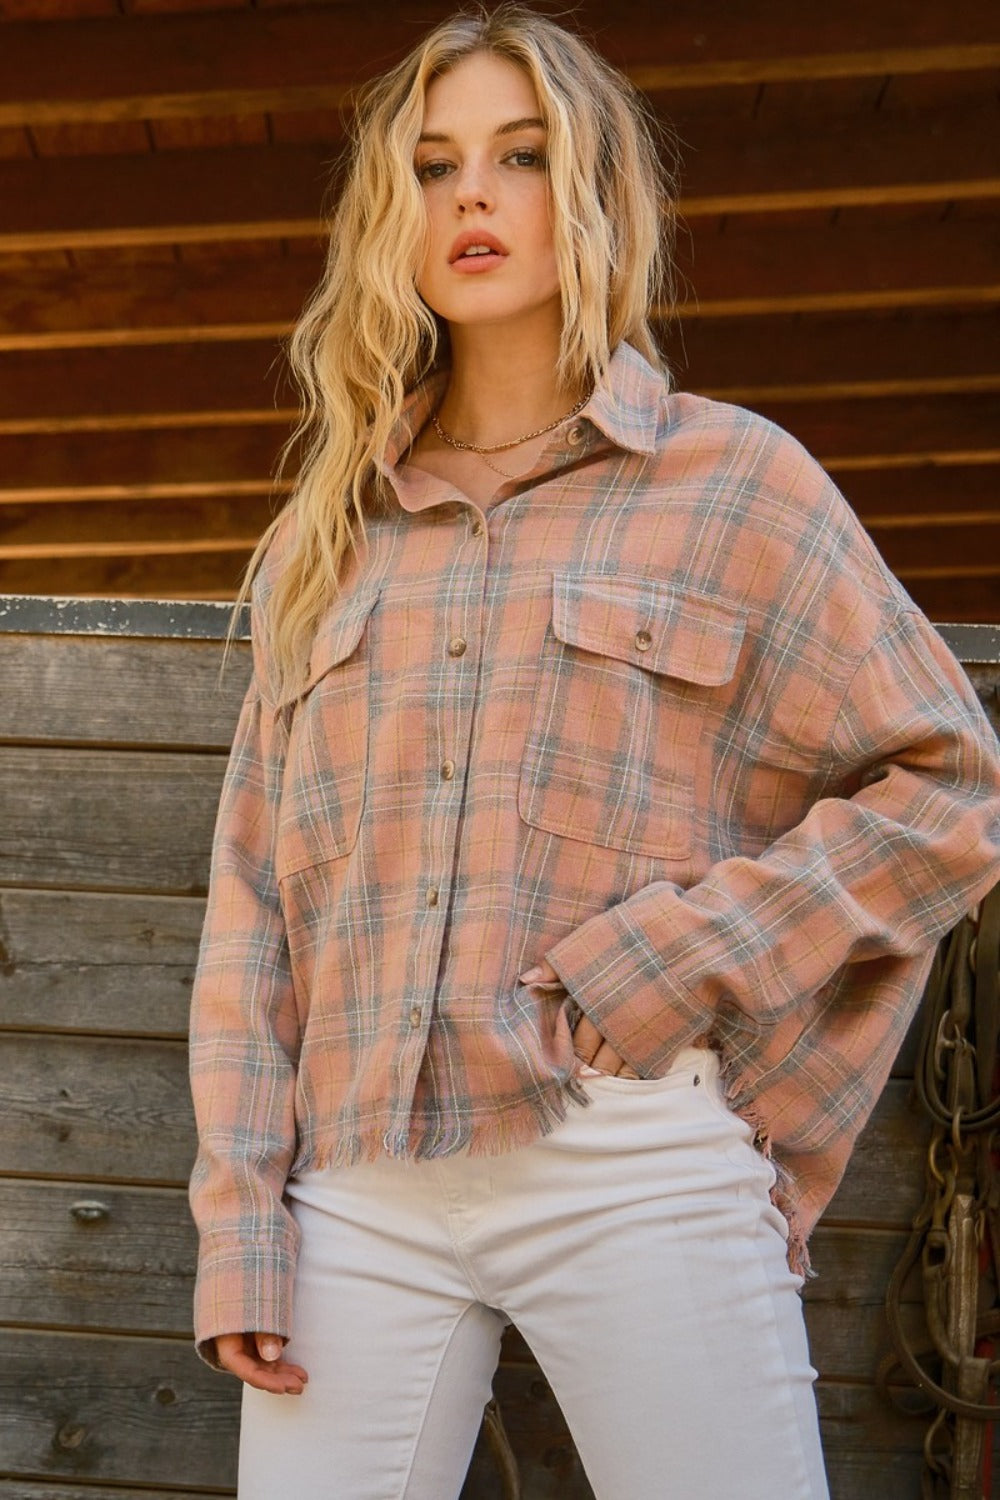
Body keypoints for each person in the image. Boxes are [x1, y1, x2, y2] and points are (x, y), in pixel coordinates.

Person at [187, 6, 1000, 1497]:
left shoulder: (736, 484)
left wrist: (676, 960)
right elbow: (253, 899)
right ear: (392, 215)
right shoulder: (326, 538)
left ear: (596, 195)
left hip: (623, 1154)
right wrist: (243, 1214)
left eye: (521, 155)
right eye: (432, 167)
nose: (473, 197)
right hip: (356, 1192)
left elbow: (950, 790)